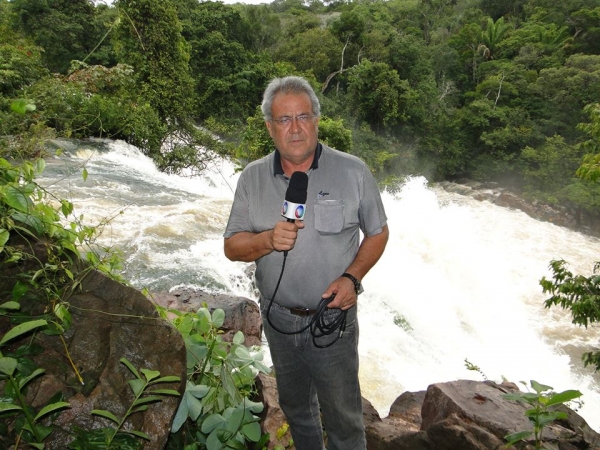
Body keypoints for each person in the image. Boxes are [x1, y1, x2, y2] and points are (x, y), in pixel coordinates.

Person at [223, 75, 389, 450]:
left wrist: (352, 278)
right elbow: (232, 246)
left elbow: (378, 233)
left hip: (333, 320)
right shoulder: (251, 178)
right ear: (269, 127)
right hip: (278, 320)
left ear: (316, 119)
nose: (295, 128)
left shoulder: (353, 171)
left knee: (344, 420)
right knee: (297, 410)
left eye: (303, 117)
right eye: (284, 120)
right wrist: (267, 240)